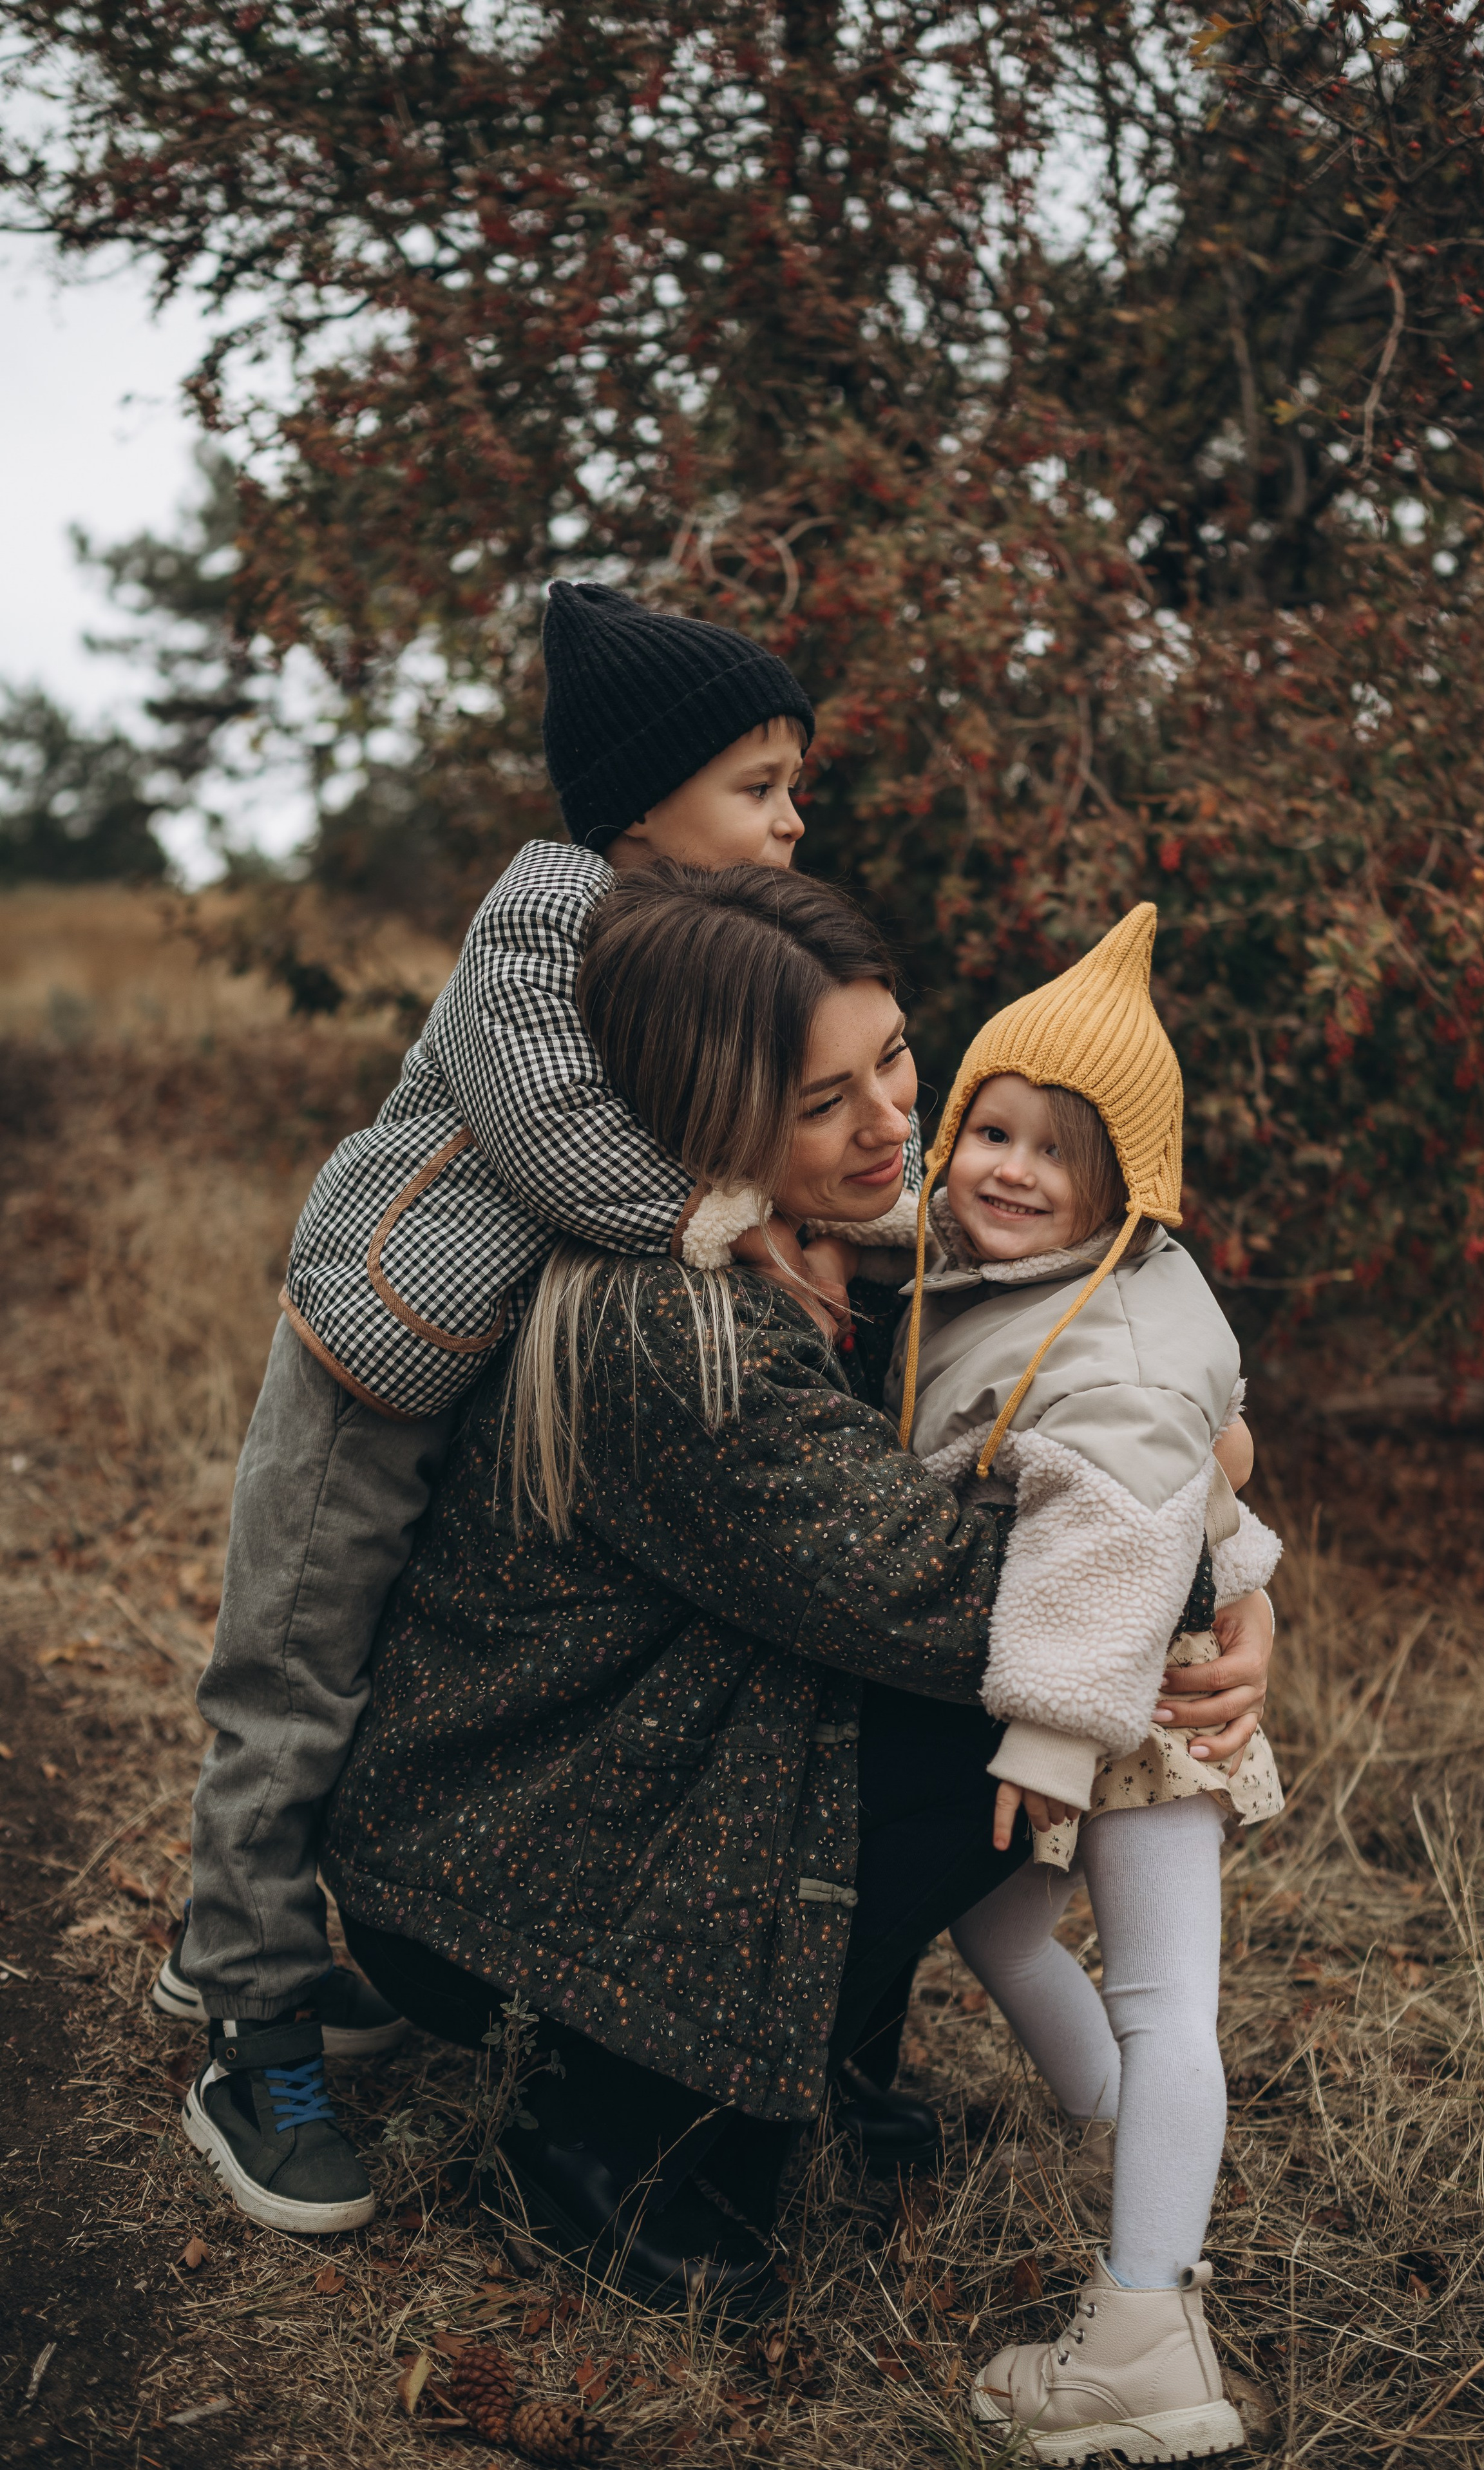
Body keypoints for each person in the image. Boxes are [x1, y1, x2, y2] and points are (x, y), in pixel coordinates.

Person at [310, 864, 1278, 2319]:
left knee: (1034, 1664)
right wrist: (1209, 1565)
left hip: (596, 1778)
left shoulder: (843, 1241)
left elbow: (1110, 1375)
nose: (897, 1122)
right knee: (995, 1704)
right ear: (713, 1117)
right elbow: (956, 1593)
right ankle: (611, 2130)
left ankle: (789, 2053)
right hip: (497, 1865)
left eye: (893, 1058)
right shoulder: (671, 1330)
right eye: (825, 1102)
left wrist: (1234, 1551)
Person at [157, 584, 916, 2235]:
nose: (792, 819)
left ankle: (291, 1936)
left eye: (794, 785)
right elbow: (559, 1137)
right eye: (755, 785)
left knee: (409, 1672)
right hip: (376, 1353)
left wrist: (926, 1225)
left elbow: (813, 1124)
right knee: (294, 1674)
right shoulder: (538, 921)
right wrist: (743, 1223)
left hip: (498, 1371)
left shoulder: (701, 954)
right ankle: (242, 2007)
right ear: (638, 797)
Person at [889, 904, 1282, 2464]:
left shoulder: (1111, 1330)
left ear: (1124, 1192)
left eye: (1054, 1151)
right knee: (988, 1920)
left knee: (1165, 1988)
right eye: (985, 1127)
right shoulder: (1007, 1266)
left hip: (1137, 1687)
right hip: (1097, 1662)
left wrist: (1053, 1734)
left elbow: (1121, 1532)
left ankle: (1141, 2329)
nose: (1006, 1169)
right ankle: (1123, 2133)